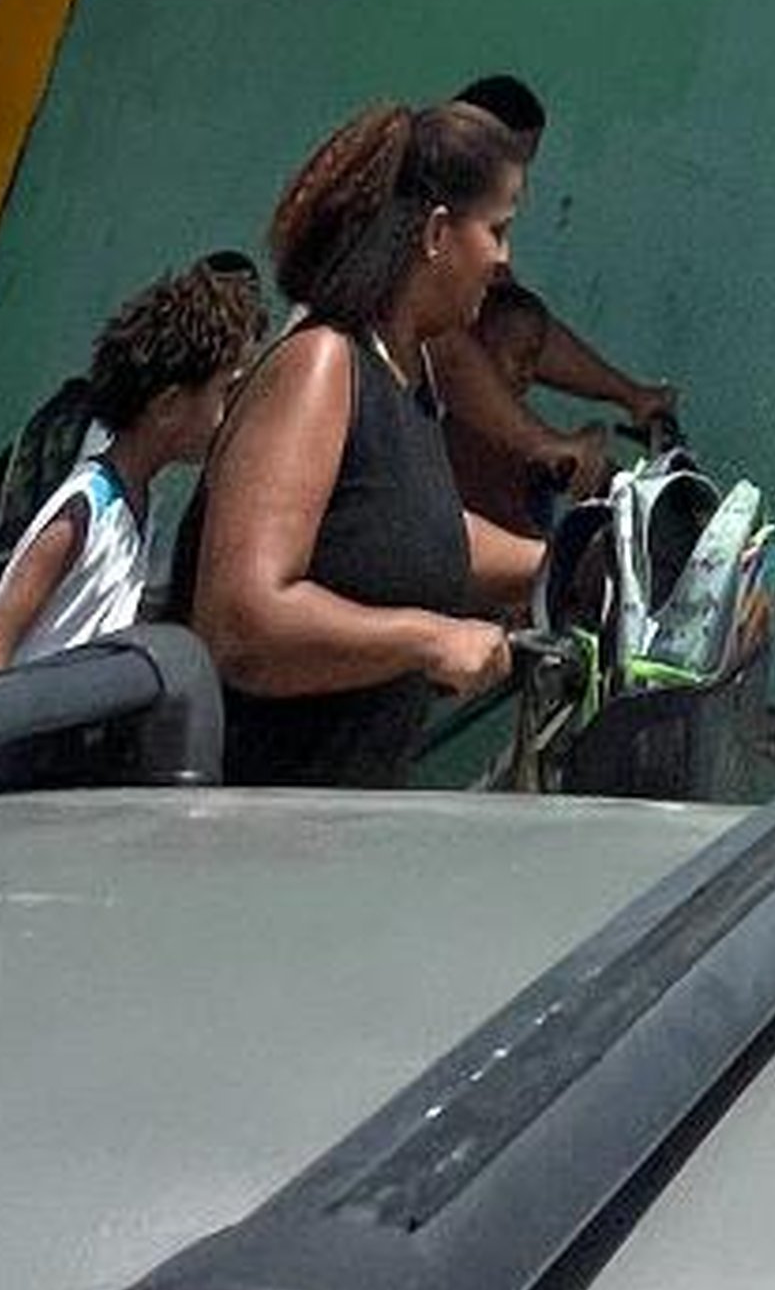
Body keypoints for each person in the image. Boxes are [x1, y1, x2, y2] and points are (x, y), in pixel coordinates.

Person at [194, 99, 541, 783]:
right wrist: (430, 640)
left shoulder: (407, 375)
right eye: (497, 231)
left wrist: (568, 561)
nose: (504, 260)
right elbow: (243, 619)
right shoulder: (322, 366)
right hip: (246, 831)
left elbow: (410, 531)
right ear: (437, 234)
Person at [0, 256, 260, 678]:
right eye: (223, 392)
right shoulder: (85, 508)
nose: (227, 413)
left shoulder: (140, 507)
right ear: (169, 405)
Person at [433, 73, 680, 539]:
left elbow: (527, 328)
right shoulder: (414, 241)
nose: (521, 179)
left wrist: (630, 394)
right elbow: (453, 356)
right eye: (514, 161)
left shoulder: (471, 242)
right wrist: (543, 444)